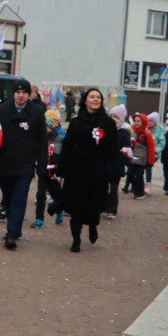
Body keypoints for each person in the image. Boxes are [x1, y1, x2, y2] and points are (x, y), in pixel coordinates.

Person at [52, 89, 117, 252]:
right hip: (77, 169)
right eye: (92, 97)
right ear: (85, 101)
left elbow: (113, 148)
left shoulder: (108, 123)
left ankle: (93, 225)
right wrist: (62, 168)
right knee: (76, 205)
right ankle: (76, 238)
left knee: (94, 204)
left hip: (98, 170)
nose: (95, 100)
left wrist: (115, 169)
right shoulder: (76, 122)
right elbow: (67, 145)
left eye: (98, 97)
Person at [0, 80, 47, 249]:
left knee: (19, 198)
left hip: (26, 164)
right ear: (13, 94)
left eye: (24, 92)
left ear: (29, 94)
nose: (21, 95)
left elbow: (42, 140)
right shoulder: (1, 110)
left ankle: (11, 233)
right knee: (8, 198)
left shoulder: (37, 112)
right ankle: (14, 227)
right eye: (18, 92)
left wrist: (42, 164)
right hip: (5, 163)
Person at [33, 109, 65, 227]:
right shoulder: (39, 139)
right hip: (42, 172)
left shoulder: (60, 139)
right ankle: (39, 218)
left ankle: (59, 210)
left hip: (55, 173)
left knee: (56, 195)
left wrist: (61, 170)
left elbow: (64, 155)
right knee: (40, 195)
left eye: (45, 126)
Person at [105, 105, 131, 218]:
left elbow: (127, 146)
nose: (112, 119)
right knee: (103, 187)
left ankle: (112, 209)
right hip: (104, 164)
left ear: (120, 119)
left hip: (116, 164)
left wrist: (126, 149)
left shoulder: (124, 133)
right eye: (111, 116)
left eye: (115, 117)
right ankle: (103, 206)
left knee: (114, 188)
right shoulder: (104, 131)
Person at [128, 113, 156, 200]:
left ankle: (140, 193)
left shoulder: (147, 134)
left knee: (139, 176)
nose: (136, 123)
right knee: (130, 175)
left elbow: (151, 148)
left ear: (143, 122)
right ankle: (136, 189)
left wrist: (151, 161)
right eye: (135, 121)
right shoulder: (131, 131)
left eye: (138, 121)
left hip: (141, 159)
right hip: (132, 158)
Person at [145, 111, 165, 194]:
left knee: (148, 168)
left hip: (154, 154)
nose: (149, 123)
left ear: (155, 122)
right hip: (144, 152)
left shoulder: (159, 131)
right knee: (140, 168)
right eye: (148, 121)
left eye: (151, 121)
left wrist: (156, 150)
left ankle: (148, 185)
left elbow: (162, 143)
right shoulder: (145, 129)